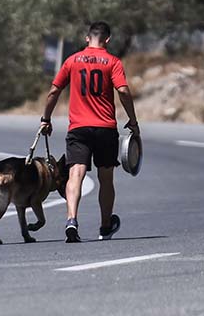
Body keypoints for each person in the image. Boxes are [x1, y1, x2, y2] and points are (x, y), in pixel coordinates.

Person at [40, 21, 140, 243]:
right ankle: (105, 226)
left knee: (76, 173)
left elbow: (54, 90)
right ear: (107, 40)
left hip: (78, 128)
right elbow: (123, 91)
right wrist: (132, 120)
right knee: (106, 178)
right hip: (105, 128)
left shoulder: (72, 60)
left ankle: (71, 221)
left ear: (87, 38)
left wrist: (45, 119)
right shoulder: (112, 62)